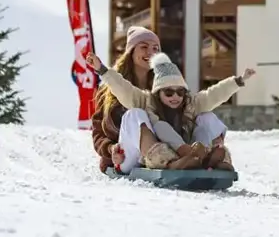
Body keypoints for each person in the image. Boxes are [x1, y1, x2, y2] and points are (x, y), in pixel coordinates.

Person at [85, 49, 254, 171]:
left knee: (206, 116)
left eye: (180, 92)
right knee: (136, 115)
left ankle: (209, 156)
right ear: (158, 93)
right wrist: (102, 69)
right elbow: (122, 88)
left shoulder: (190, 104)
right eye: (168, 92)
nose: (175, 97)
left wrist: (238, 81)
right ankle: (173, 161)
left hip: (185, 158)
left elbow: (214, 94)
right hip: (135, 157)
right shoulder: (145, 101)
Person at [90, 27, 227, 172]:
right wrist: (111, 149)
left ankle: (213, 159)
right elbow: (98, 132)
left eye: (155, 48)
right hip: (127, 156)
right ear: (131, 51)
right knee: (136, 114)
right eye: (144, 47)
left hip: (171, 150)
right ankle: (168, 162)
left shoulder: (165, 84)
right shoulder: (110, 87)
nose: (150, 52)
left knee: (206, 116)